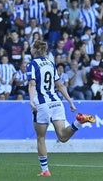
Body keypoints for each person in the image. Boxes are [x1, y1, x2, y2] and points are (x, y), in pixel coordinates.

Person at [26, 40, 96, 177]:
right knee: (63, 136)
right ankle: (79, 122)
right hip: (57, 103)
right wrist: (70, 102)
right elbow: (60, 85)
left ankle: (45, 170)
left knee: (41, 138)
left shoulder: (32, 64)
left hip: (42, 104)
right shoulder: (51, 64)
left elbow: (32, 84)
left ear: (35, 50)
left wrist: (31, 100)